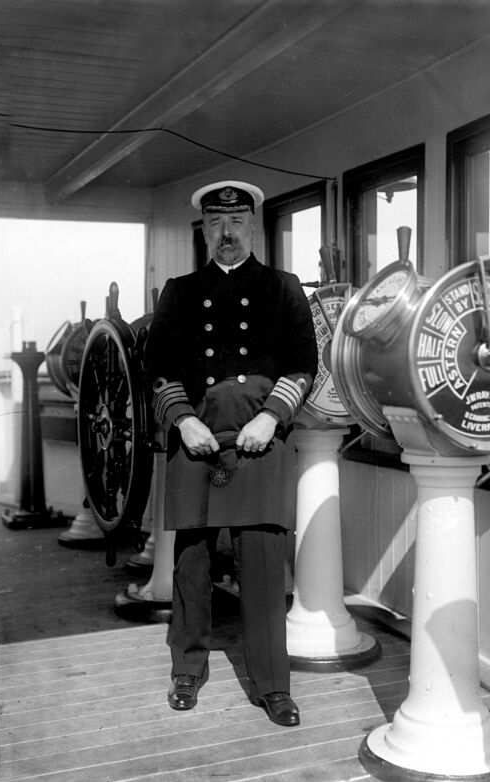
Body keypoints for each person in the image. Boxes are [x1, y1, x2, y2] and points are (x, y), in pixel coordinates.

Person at [144, 180, 318, 726]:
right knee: (191, 568)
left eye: (237, 221)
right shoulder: (178, 291)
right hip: (195, 444)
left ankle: (273, 685)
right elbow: (159, 370)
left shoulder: (284, 288)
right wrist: (184, 419)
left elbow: (302, 366)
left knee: (265, 570)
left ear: (253, 225)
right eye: (216, 224)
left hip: (260, 442)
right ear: (205, 229)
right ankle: (187, 671)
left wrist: (271, 416)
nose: (227, 233)